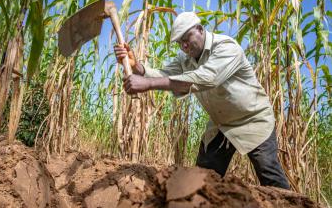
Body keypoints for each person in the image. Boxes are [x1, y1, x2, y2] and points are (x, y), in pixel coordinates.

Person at [114, 12, 290, 189]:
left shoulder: (226, 47)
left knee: (271, 178)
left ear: (200, 29)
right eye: (179, 42)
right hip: (221, 125)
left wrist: (148, 83)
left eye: (186, 38)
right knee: (202, 181)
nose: (184, 45)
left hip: (253, 119)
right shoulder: (185, 59)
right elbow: (164, 75)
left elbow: (206, 78)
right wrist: (136, 66)